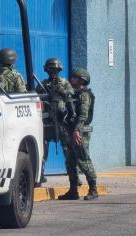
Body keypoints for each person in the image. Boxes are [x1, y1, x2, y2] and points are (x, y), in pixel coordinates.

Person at [58, 68, 98, 201]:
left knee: (83, 160)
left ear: (82, 80)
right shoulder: (73, 93)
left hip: (80, 132)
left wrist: (76, 131)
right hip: (71, 131)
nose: (72, 79)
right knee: (70, 162)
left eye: (75, 77)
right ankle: (73, 190)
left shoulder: (84, 95)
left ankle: (93, 189)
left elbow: (83, 115)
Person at [36, 58, 75, 184]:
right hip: (47, 121)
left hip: (61, 120)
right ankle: (40, 174)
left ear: (59, 70)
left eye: (55, 70)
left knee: (67, 149)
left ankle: (73, 176)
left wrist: (63, 92)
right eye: (51, 70)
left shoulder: (64, 83)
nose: (53, 72)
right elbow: (36, 99)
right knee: (42, 149)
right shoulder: (42, 84)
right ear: (47, 70)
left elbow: (72, 96)